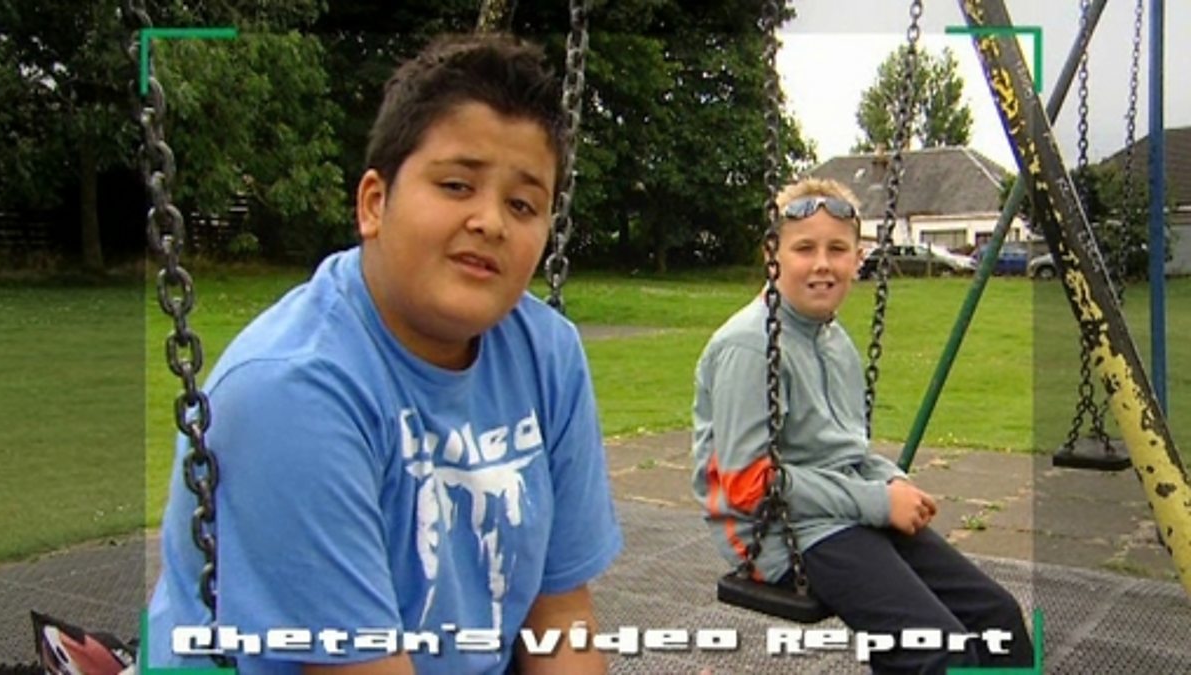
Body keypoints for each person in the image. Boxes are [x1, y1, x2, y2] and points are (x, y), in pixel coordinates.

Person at [148, 33, 622, 675]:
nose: (491, 222)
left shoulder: (548, 355)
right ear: (374, 204)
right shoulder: (292, 391)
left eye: (522, 204)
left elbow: (560, 614)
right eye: (456, 185)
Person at [691, 178, 1033, 673]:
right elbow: (746, 485)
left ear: (858, 258)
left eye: (837, 249)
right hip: (779, 535)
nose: (822, 264)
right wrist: (878, 502)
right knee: (936, 648)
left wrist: (889, 479)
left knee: (996, 617)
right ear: (773, 255)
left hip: (841, 512)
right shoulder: (749, 347)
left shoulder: (834, 341)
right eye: (804, 248)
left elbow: (844, 450)